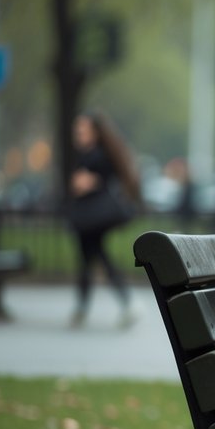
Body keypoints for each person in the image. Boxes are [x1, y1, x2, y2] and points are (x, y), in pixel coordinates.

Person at [67, 110, 140, 328]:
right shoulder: (94, 154)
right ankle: (84, 307)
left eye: (83, 129)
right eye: (77, 129)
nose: (78, 134)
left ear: (95, 132)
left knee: (95, 257)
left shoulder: (95, 156)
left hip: (92, 217)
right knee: (89, 259)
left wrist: (86, 182)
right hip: (90, 217)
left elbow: (80, 184)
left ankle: (124, 303)